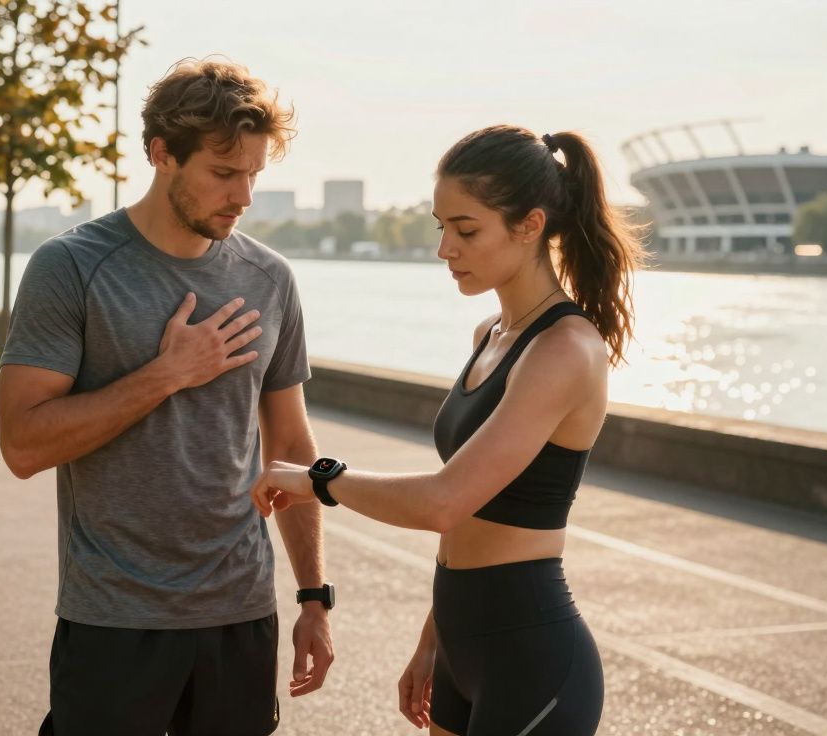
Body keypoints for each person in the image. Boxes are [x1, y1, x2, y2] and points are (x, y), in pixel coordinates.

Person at [251, 126, 646, 736]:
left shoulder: (564, 350)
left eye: (466, 230)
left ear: (530, 225)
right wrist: (434, 640)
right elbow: (466, 518)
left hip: (533, 659)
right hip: (463, 644)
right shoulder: (490, 335)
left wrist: (318, 479)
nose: (445, 249)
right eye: (441, 227)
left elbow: (443, 501)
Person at [0, 59, 334, 736]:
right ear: (161, 155)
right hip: (115, 618)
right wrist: (166, 374)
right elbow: (22, 445)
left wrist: (313, 597)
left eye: (253, 175)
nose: (242, 196)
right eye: (222, 172)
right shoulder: (71, 267)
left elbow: (292, 447)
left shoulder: (270, 278)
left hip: (240, 611)